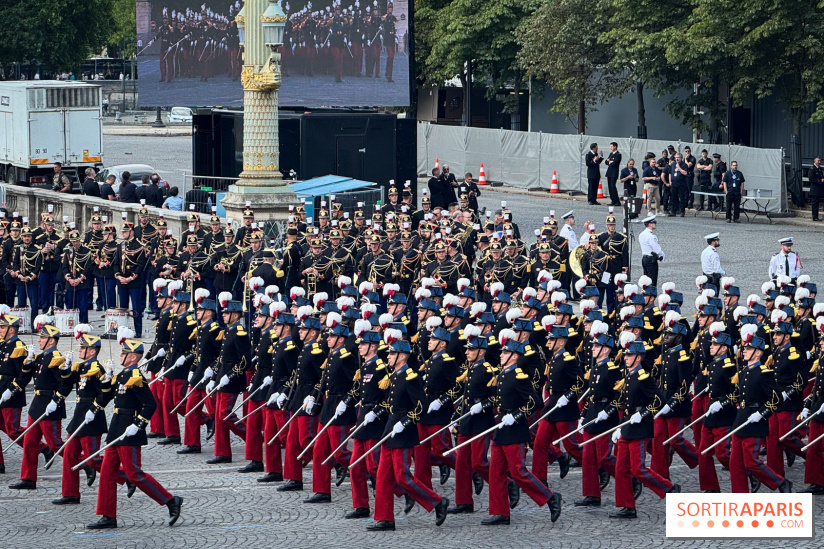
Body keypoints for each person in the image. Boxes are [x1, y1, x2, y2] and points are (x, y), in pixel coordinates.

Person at [86, 337, 183, 529]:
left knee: (134, 474)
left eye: (123, 353)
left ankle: (171, 500)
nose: (120, 356)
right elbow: (108, 396)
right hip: (116, 430)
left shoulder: (136, 378)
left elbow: (150, 404)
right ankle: (108, 515)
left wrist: (138, 425)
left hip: (129, 432)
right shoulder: (122, 375)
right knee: (106, 473)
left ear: (132, 357)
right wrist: (105, 381)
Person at [7, 318, 70, 490]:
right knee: (29, 441)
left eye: (42, 338)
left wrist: (56, 401)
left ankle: (84, 464)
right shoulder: (41, 357)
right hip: (37, 405)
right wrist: (27, 362)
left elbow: (65, 385)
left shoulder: (56, 358)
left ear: (51, 340)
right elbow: (27, 375)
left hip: (49, 406)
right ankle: (28, 478)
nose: (39, 340)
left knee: (55, 444)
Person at [53, 327, 106, 505]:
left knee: (93, 458)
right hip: (78, 417)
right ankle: (70, 493)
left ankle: (125, 476)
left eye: (83, 348)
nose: (79, 350)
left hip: (91, 418)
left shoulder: (97, 368)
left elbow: (104, 394)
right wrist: (66, 368)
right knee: (69, 454)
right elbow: (67, 381)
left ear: (92, 351)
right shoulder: (82, 366)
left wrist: (95, 409)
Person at [638, 216, 664, 287]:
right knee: (652, 281)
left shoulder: (641, 234)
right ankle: (650, 296)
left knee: (645, 281)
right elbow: (657, 249)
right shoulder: (651, 236)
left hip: (644, 259)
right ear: (649, 224)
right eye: (654, 223)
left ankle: (645, 295)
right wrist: (662, 256)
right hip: (651, 259)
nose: (655, 224)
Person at [604, 142, 622, 206]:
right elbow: (606, 162)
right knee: (610, 187)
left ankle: (617, 200)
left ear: (615, 147)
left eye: (611, 146)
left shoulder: (618, 154)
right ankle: (613, 200)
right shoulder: (611, 154)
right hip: (609, 172)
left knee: (612, 186)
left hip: (614, 172)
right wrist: (609, 162)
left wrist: (610, 162)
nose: (610, 148)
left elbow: (615, 163)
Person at [808, 157, 824, 221]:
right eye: (818, 161)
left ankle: (816, 216)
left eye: (820, 161)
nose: (819, 162)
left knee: (818, 203)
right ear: (814, 161)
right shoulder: (812, 169)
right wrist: (820, 180)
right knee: (815, 203)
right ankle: (814, 217)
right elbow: (811, 179)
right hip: (815, 189)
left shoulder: (820, 169)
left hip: (820, 189)